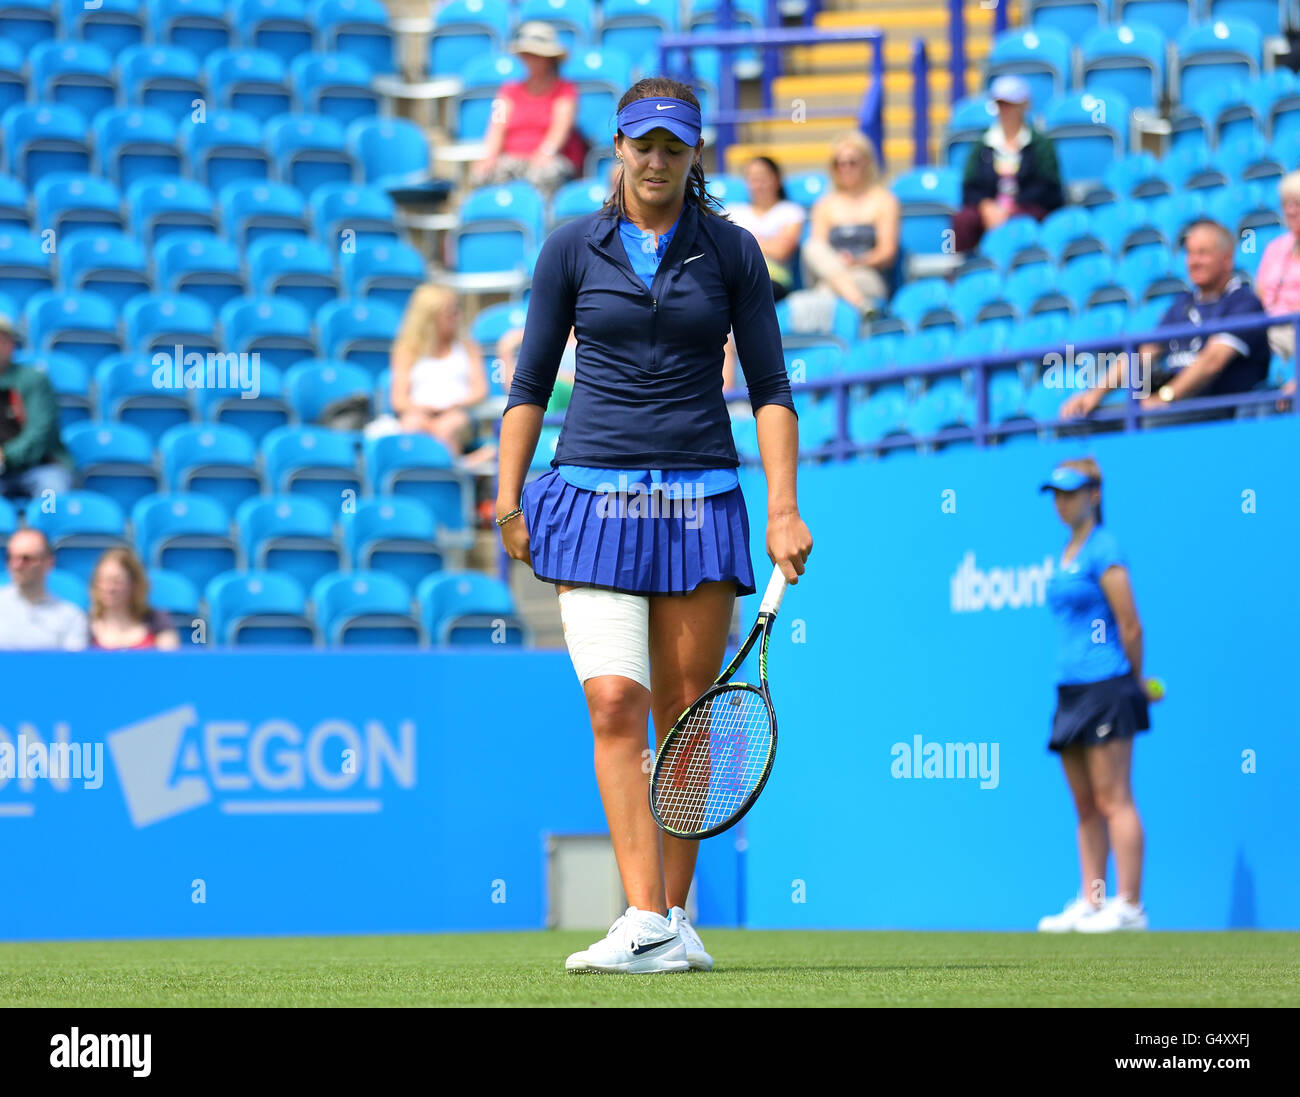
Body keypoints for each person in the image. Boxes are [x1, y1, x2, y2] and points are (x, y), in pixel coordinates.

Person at [496, 77, 812, 974]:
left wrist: (783, 504)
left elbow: (771, 389)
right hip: (591, 501)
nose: (657, 160)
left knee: (687, 717)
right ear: (618, 148)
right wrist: (507, 497)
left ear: (695, 155)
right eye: (643, 144)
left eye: (675, 147)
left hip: (699, 500)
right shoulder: (568, 248)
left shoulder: (736, 252)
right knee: (613, 701)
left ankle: (673, 916)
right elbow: (526, 385)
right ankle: (644, 916)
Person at [1036, 459, 1153, 934]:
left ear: (1095, 494)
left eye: (1071, 492)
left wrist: (1133, 683)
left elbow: (1129, 623)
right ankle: (1093, 899)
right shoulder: (1068, 549)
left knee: (1114, 799)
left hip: (1108, 687)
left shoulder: (1105, 548)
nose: (1062, 502)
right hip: (1071, 691)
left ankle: (1129, 905)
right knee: (1085, 804)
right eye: (1057, 494)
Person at [1059, 220, 1270, 422]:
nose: (1194, 261)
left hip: (1216, 409)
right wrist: (1094, 394)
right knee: (1082, 422)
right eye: (1190, 253)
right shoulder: (1182, 305)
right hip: (1175, 406)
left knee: (1149, 421)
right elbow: (1143, 354)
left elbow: (1212, 362)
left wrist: (1166, 397)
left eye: (1203, 253)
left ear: (1227, 259)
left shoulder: (1243, 303)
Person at [468, 21, 583, 199]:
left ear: (549, 59)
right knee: (481, 175)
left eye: (536, 55)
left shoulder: (565, 90)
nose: (531, 60)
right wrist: (489, 156)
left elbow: (561, 127)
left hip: (549, 160)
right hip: (512, 158)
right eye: (527, 55)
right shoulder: (508, 91)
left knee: (543, 176)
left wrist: (546, 153)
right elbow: (496, 126)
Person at [952, 74, 1063, 254]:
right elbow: (970, 187)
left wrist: (1010, 209)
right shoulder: (983, 145)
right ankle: (965, 269)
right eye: (1001, 104)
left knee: (1025, 220)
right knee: (963, 220)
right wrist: (986, 205)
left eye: (1011, 104)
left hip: (1025, 208)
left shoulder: (1041, 144)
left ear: (1025, 105)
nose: (1005, 110)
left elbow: (1049, 188)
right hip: (990, 211)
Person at [801, 131, 899, 317]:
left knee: (824, 293)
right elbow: (817, 251)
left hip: (868, 273)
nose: (846, 168)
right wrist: (840, 264)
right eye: (839, 163)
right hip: (834, 273)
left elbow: (887, 253)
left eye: (852, 162)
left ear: (866, 163)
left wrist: (857, 261)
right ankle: (860, 303)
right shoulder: (825, 204)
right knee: (811, 247)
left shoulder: (884, 201)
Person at [389, 283, 489, 456]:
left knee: (447, 429)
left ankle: (453, 477)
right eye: (450, 313)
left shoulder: (468, 347)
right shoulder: (407, 351)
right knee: (412, 426)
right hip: (419, 413)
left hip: (458, 414)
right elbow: (399, 400)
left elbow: (480, 391)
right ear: (430, 318)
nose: (458, 317)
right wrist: (426, 410)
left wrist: (453, 405)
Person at [0, 313, 74, 502]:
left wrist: (5, 455)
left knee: (53, 498)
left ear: (11, 344)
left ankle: (51, 530)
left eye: (1, 340)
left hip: (40, 467)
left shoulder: (33, 380)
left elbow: (39, 433)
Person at [728, 156, 806, 301]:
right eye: (753, 179)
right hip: (735, 275)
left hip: (774, 278)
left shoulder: (790, 211)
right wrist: (766, 242)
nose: (758, 184)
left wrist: (743, 242)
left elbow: (782, 251)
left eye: (763, 178)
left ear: (776, 179)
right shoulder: (733, 211)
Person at [0, 529, 88, 650]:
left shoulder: (71, 617)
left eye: (26, 559)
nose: (16, 565)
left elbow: (72, 666)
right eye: (11, 557)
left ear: (48, 562)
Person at [1253, 170, 1300, 376]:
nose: (1290, 210)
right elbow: (1260, 291)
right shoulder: (1275, 247)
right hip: (1270, 326)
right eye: (1286, 204)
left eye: (1297, 203)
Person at [88, 547, 180, 650]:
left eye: (117, 581)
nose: (109, 588)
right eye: (102, 580)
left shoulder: (157, 621)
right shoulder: (86, 625)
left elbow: (168, 661)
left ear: (134, 584)